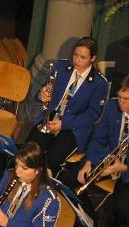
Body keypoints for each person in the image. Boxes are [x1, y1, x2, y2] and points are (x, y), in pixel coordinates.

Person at [61, 71, 129, 227]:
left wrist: (124, 168)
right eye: (120, 97)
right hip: (111, 157)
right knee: (68, 180)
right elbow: (98, 139)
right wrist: (88, 162)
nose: (120, 102)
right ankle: (90, 222)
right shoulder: (112, 107)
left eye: (126, 99)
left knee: (122, 208)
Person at [26, 37, 108, 173]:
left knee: (52, 159)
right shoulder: (61, 67)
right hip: (52, 116)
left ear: (93, 58)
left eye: (83, 57)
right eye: (75, 55)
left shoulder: (99, 83)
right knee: (30, 151)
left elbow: (92, 115)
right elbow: (47, 88)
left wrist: (64, 124)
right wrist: (42, 94)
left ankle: (45, 182)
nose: (77, 60)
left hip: (74, 127)